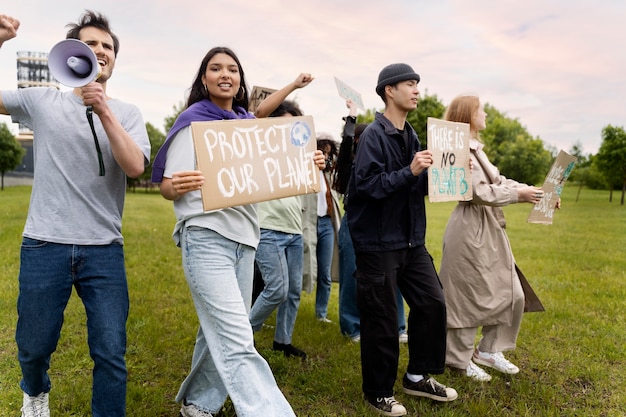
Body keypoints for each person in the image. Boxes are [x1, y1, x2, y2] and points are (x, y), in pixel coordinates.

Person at [151, 48, 321, 417]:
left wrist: (308, 161)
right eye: (215, 69)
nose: (224, 74)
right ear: (204, 79)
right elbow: (166, 186)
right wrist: (174, 187)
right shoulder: (193, 122)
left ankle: (198, 403)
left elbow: (269, 133)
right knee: (239, 339)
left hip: (245, 242)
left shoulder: (245, 125)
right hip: (206, 238)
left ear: (240, 80)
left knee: (220, 329)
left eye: (232, 69)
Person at [0, 11, 151, 417]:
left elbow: (135, 167)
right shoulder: (42, 99)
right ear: (72, 53)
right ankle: (35, 391)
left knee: (110, 352)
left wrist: (104, 111)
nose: (100, 51)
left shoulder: (128, 113)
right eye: (91, 44)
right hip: (44, 244)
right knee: (33, 346)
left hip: (103, 249)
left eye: (108, 46)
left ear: (114, 60)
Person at [345, 63, 458, 416]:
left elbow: (412, 186)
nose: (417, 90)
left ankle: (416, 376)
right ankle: (378, 391)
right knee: (380, 320)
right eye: (410, 84)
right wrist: (409, 171)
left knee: (432, 304)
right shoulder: (373, 136)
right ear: (389, 90)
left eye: (418, 85)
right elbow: (364, 188)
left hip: (411, 240)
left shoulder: (411, 136)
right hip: (377, 243)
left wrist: (444, 177)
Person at [439, 95, 550, 382]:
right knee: (468, 295)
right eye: (481, 109)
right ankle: (459, 359)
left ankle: (488, 350)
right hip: (469, 229)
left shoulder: (477, 149)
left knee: (513, 292)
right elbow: (477, 193)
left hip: (488, 227)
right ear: (468, 115)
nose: (486, 113)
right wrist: (518, 195)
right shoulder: (457, 148)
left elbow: (497, 182)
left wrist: (533, 192)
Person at [249, 77, 325, 360]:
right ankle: (244, 336)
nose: (287, 130)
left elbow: (312, 189)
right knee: (277, 289)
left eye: (292, 125)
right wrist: (293, 85)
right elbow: (257, 117)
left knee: (293, 291)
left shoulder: (301, 156)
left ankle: (282, 341)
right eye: (281, 124)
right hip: (267, 228)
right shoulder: (259, 150)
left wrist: (316, 166)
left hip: (294, 230)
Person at [333, 99, 408, 344]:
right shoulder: (350, 164)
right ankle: (353, 327)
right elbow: (345, 145)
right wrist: (352, 116)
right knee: (352, 273)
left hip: (385, 222)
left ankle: (397, 326)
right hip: (355, 222)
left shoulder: (386, 161)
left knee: (392, 275)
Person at [314, 133, 339, 323]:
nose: (326, 156)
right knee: (302, 271)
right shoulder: (305, 172)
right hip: (308, 223)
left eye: (329, 153)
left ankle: (321, 313)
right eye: (323, 151)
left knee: (325, 272)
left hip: (326, 224)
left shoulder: (329, 175)